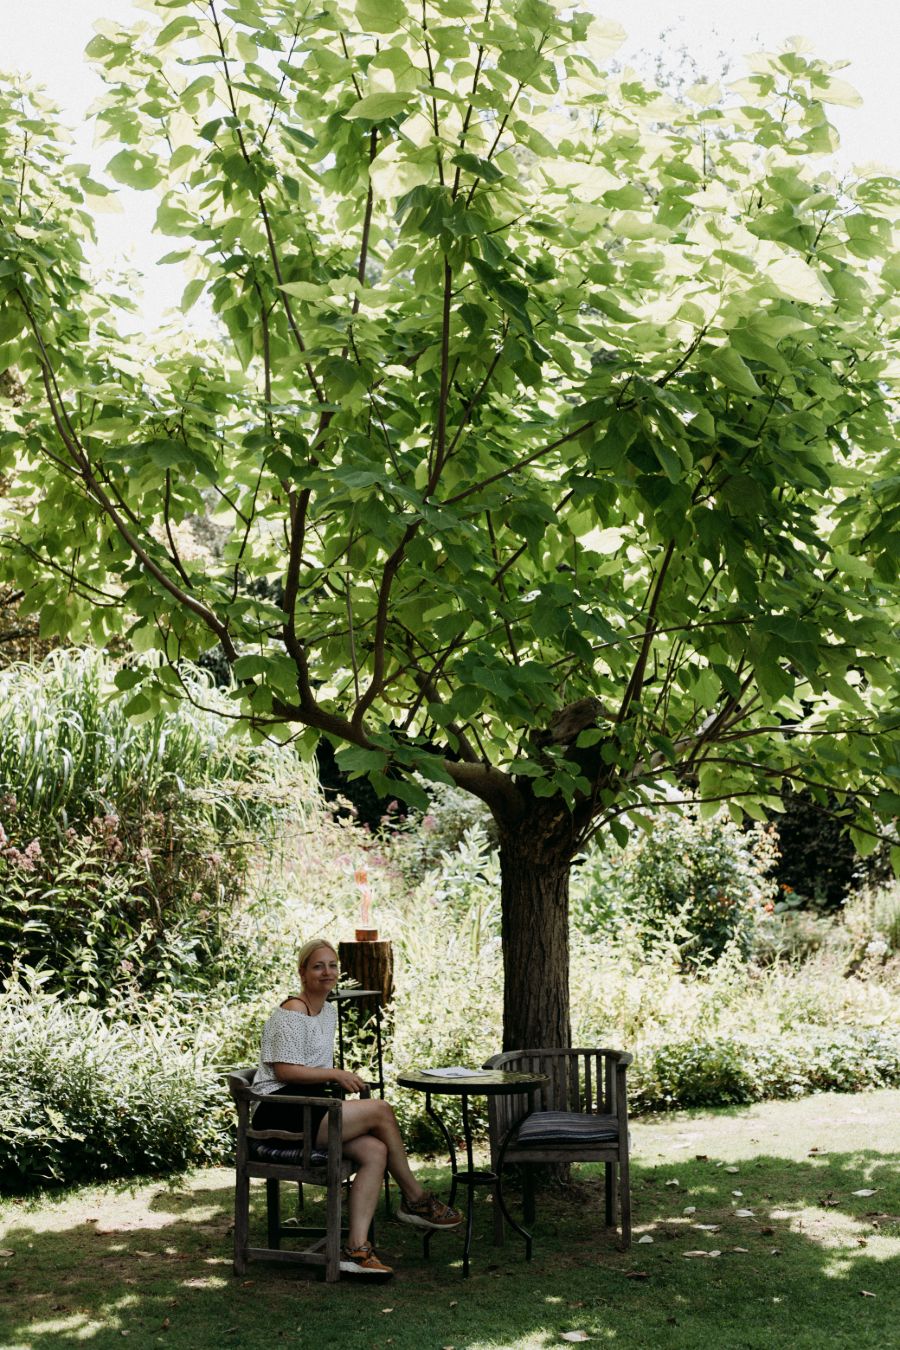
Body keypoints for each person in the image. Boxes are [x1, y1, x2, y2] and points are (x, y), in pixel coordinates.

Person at [252, 938, 461, 1276]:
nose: (327, 972)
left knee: (376, 1150)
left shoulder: (327, 1010)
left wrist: (332, 1079)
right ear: (302, 972)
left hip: (313, 1106)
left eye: (332, 965)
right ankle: (416, 1198)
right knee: (381, 1110)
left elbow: (314, 1072)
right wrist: (336, 1073)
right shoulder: (292, 1010)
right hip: (282, 1110)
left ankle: (356, 1250)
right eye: (318, 966)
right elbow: (284, 1071)